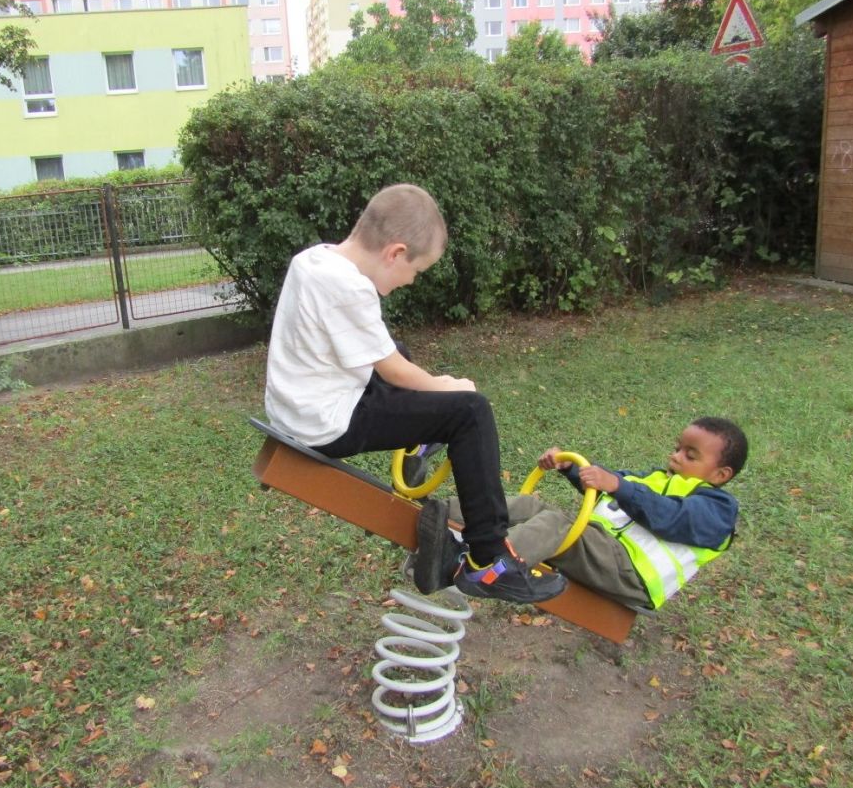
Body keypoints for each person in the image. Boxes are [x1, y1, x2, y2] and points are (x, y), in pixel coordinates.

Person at [264, 183, 566, 604]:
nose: (410, 281)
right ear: (395, 253)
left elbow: (383, 357)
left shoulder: (313, 260)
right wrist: (449, 386)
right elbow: (393, 370)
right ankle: (489, 561)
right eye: (416, 270)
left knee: (401, 353)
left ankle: (420, 443)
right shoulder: (349, 288)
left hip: (296, 404)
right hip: (325, 422)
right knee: (470, 411)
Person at [420, 417, 748, 611]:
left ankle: (488, 568)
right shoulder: (655, 479)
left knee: (559, 524)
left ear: (720, 474)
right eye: (677, 448)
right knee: (534, 507)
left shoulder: (719, 511)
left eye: (690, 455)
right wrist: (571, 469)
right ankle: (438, 510)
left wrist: (618, 485)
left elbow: (669, 516)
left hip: (631, 576)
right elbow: (608, 485)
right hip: (600, 550)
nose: (675, 457)